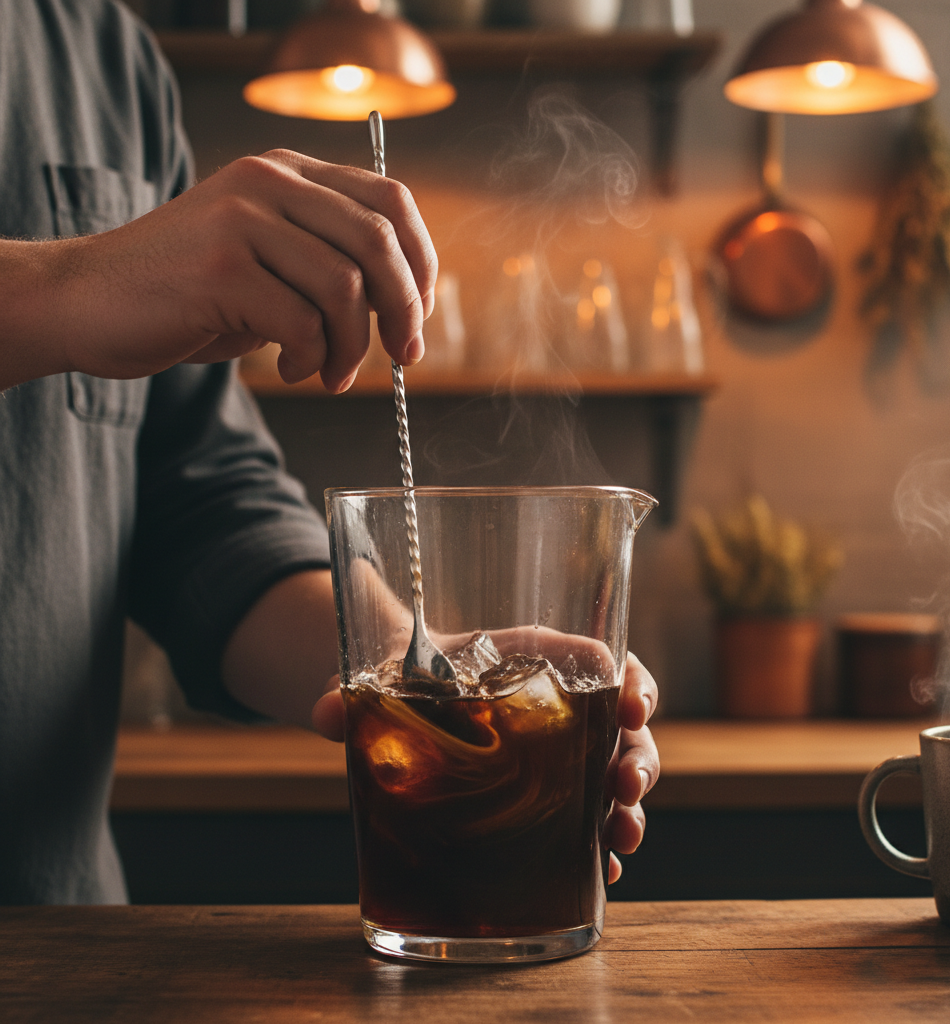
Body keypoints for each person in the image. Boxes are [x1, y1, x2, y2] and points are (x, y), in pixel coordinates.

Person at [0, 0, 660, 904]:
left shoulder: (102, 50)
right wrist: (61, 292)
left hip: (53, 937)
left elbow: (203, 509)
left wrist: (410, 666)